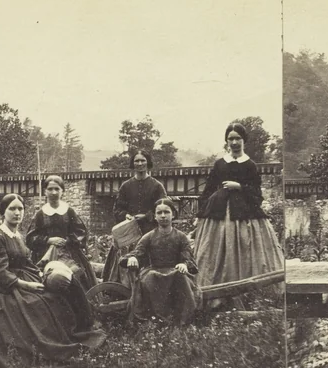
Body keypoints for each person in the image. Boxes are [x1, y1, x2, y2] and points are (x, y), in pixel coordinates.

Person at [0, 194, 105, 368]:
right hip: (2, 285)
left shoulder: (17, 234)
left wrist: (40, 273)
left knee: (54, 297)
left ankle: (66, 335)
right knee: (35, 304)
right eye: (12, 209)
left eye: (20, 209)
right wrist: (27, 285)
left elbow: (25, 262)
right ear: (2, 212)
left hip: (21, 276)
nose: (17, 213)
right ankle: (44, 349)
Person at [193, 122, 285, 291]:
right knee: (212, 252)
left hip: (244, 213)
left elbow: (257, 193)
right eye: (231, 139)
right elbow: (208, 189)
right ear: (226, 141)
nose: (234, 142)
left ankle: (248, 290)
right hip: (218, 212)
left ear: (244, 141)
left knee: (246, 247)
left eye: (238, 139)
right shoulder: (220, 163)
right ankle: (214, 290)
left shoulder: (250, 165)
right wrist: (201, 214)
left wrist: (240, 187)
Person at [123, 198, 202, 326]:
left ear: (173, 215)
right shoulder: (149, 237)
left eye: (167, 212)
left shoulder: (181, 237)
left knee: (181, 277)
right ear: (154, 216)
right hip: (154, 270)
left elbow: (188, 257)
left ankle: (181, 321)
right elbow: (138, 252)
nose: (163, 216)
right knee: (150, 278)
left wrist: (184, 264)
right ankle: (153, 321)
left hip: (175, 271)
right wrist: (133, 258)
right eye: (159, 213)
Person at [102, 150, 167, 286]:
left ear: (148, 163)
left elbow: (164, 208)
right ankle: (123, 288)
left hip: (149, 231)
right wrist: (125, 215)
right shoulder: (126, 186)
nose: (140, 163)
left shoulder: (157, 186)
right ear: (133, 164)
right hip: (129, 233)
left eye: (142, 160)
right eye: (137, 161)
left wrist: (147, 216)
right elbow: (117, 209)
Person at [25, 175, 97, 292]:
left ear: (62, 191)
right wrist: (48, 240)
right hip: (45, 255)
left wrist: (68, 240)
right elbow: (30, 238)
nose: (53, 192)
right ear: (45, 191)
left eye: (57, 189)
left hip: (69, 252)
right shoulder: (40, 214)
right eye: (50, 189)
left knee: (76, 278)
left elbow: (81, 232)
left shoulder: (69, 211)